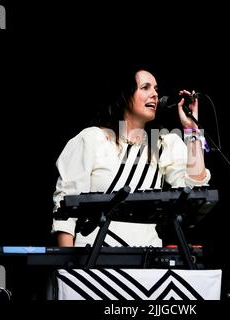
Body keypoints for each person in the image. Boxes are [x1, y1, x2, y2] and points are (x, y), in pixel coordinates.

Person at [51, 65, 211, 247]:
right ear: (125, 96)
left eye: (156, 90)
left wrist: (192, 130)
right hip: (91, 259)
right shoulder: (92, 139)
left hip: (146, 260)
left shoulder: (163, 143)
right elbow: (64, 204)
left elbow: (195, 187)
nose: (155, 95)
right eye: (145, 87)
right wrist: (68, 265)